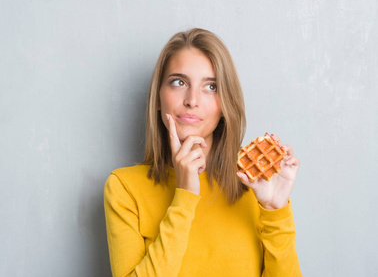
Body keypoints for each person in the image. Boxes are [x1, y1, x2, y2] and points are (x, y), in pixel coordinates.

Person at [104, 28, 302, 277]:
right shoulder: (124, 187)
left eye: (211, 86)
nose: (192, 100)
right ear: (157, 98)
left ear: (225, 103)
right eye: (179, 82)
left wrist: (275, 209)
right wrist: (184, 196)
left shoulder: (256, 186)